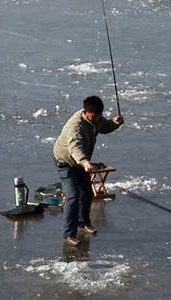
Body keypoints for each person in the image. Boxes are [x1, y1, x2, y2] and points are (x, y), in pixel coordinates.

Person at [53, 96, 124, 246]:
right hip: (65, 162)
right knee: (73, 195)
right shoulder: (75, 127)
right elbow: (75, 147)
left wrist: (114, 124)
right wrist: (85, 162)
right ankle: (68, 234)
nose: (98, 118)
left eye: (99, 115)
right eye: (95, 115)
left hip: (82, 162)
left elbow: (104, 127)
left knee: (87, 192)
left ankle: (83, 223)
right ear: (86, 112)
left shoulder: (96, 119)